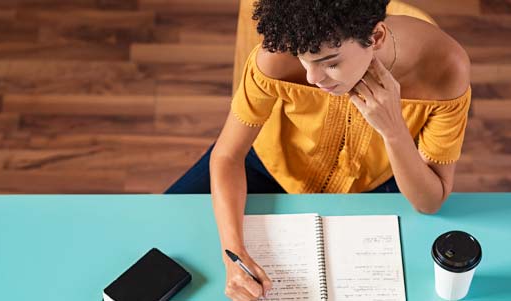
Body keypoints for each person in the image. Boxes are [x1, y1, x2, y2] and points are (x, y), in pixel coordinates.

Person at [166, 0, 471, 299]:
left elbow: (430, 202)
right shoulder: (277, 56)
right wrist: (234, 256)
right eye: (304, 59)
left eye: (332, 62)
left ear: (375, 37)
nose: (313, 78)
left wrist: (393, 130)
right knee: (162, 245)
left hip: (374, 184)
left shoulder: (446, 67)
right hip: (267, 165)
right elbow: (227, 155)